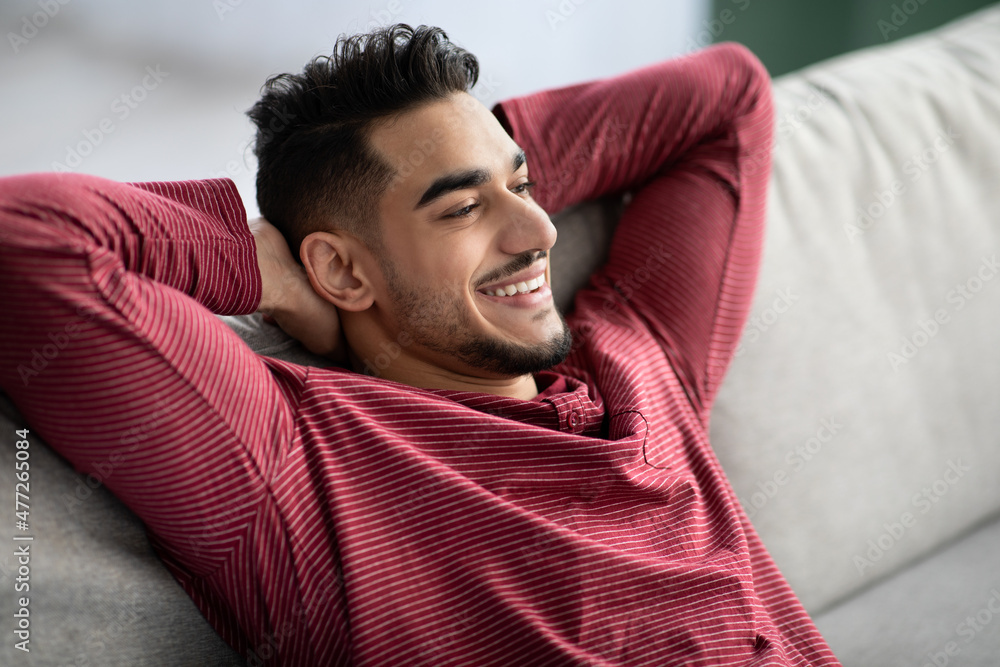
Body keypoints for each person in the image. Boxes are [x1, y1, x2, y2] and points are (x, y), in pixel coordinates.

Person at [0, 23, 840, 666]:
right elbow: (24, 241)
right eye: (462, 209)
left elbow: (728, 96)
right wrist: (265, 268)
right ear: (341, 269)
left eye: (524, 186)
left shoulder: (637, 360)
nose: (541, 232)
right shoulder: (299, 471)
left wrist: (478, 155)